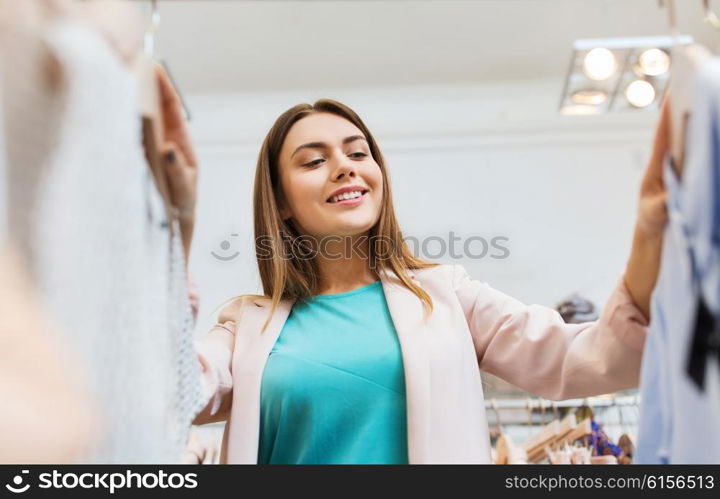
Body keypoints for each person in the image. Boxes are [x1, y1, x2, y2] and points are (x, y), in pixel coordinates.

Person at [164, 91, 670, 464]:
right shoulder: (245, 326)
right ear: (280, 202)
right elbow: (168, 393)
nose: (345, 167)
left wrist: (651, 231)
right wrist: (175, 232)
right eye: (315, 161)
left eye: (359, 153)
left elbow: (586, 357)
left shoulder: (447, 296)